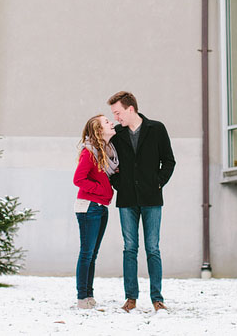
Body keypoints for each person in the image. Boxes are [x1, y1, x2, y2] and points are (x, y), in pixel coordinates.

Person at [107, 91, 175, 312]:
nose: (116, 118)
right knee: (130, 248)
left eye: (118, 113)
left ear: (130, 109)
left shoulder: (157, 129)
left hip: (151, 198)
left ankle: (157, 298)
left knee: (153, 248)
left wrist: (158, 183)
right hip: (126, 199)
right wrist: (118, 183)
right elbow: (109, 163)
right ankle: (131, 298)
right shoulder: (116, 134)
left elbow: (169, 161)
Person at [73, 114, 119, 309]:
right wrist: (103, 190)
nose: (112, 123)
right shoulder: (89, 152)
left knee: (93, 254)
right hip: (88, 207)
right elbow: (79, 179)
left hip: (101, 207)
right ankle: (82, 297)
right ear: (99, 131)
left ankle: (89, 294)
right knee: (86, 253)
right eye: (107, 122)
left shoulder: (108, 152)